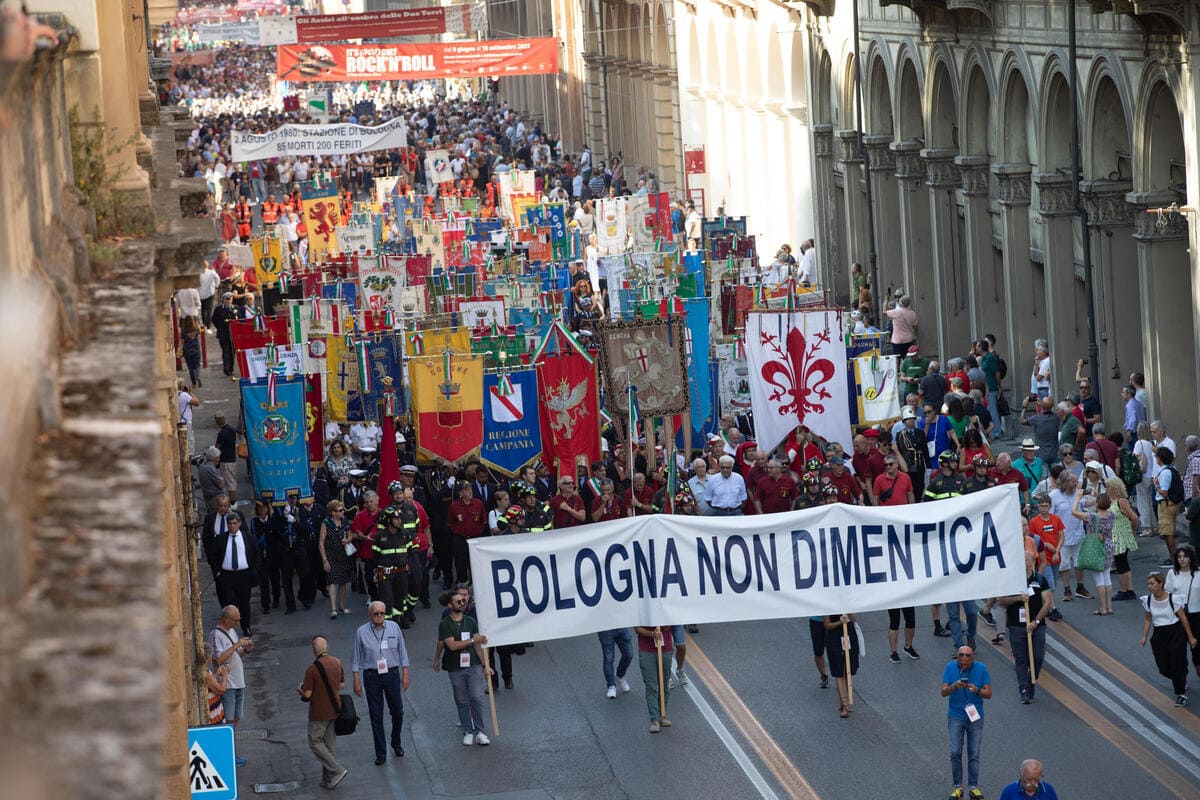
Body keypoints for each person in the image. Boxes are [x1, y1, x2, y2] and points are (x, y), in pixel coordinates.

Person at [352, 601, 411, 764]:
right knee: (376, 715)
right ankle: (381, 752)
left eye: (382, 613)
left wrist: (405, 672)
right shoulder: (361, 632)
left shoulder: (394, 628)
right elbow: (356, 658)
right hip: (371, 677)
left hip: (391, 674)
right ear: (369, 615)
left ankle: (396, 742)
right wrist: (356, 680)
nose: (379, 616)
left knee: (398, 712)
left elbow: (403, 652)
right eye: (376, 613)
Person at [435, 589, 493, 745]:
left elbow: (478, 647)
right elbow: (452, 646)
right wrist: (473, 641)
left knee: (476, 697)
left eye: (463, 600)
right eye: (458, 601)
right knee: (461, 700)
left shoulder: (470, 621)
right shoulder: (445, 624)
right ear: (450, 605)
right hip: (455, 667)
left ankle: (480, 731)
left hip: (473, 665)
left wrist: (485, 665)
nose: (462, 603)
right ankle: (468, 731)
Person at [1140, 571, 1198, 706]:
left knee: (1177, 663)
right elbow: (1148, 619)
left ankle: (1181, 693)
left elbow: (1183, 618)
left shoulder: (1173, 599)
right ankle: (1181, 677)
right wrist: (1144, 636)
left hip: (1176, 633)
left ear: (1161, 584)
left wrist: (1191, 637)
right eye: (1148, 584)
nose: (1149, 586)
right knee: (1163, 667)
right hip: (1159, 635)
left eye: (1152, 583)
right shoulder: (1148, 600)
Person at [1000, 552, 1052, 704]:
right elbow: (1002, 600)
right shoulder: (1012, 581)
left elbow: (1047, 602)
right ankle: (1023, 689)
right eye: (1021, 560)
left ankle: (1031, 680)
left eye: (1027, 560)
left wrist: (1035, 621)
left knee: (1037, 656)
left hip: (1037, 626)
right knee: (1021, 659)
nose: (1025, 563)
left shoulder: (1040, 580)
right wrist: (1017, 598)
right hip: (1017, 626)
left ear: (1032, 562)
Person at [297, 635, 348, 789]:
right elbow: (342, 685)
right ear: (326, 648)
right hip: (335, 709)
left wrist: (300, 690)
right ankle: (327, 780)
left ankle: (337, 770)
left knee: (315, 742)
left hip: (319, 712)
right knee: (329, 744)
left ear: (314, 651)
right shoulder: (337, 662)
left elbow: (307, 694)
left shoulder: (312, 669)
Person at [942, 645, 991, 800]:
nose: (963, 664)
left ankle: (973, 787)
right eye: (960, 660)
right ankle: (957, 787)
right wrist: (954, 686)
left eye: (966, 661)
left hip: (975, 716)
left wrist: (976, 690)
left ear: (972, 659)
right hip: (955, 715)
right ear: (957, 657)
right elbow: (943, 692)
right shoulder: (950, 667)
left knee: (974, 753)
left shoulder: (981, 669)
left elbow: (988, 693)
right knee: (955, 751)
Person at [208, 605, 253, 765]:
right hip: (229, 685)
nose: (237, 622)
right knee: (227, 722)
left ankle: (231, 753)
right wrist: (236, 645)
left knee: (235, 719)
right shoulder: (215, 634)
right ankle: (228, 756)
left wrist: (245, 651)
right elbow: (218, 660)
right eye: (235, 620)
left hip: (239, 682)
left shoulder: (232, 631)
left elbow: (233, 655)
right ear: (226, 619)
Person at [207, 513, 260, 636]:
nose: (232, 526)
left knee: (244, 603)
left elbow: (256, 554)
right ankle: (229, 630)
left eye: (234, 523)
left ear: (239, 523)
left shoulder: (248, 538)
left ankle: (246, 627)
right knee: (229, 603)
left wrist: (254, 571)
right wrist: (217, 573)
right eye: (230, 524)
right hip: (227, 576)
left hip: (244, 575)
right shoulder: (221, 539)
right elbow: (213, 557)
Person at [1071, 489, 1115, 614]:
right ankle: (1109, 606)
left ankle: (1102, 607)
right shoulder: (1111, 515)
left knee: (1099, 579)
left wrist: (1078, 498)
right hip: (1108, 546)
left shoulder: (1092, 517)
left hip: (1095, 547)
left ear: (1097, 504)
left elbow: (1073, 512)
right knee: (1107, 577)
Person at [1164, 545, 1200, 676]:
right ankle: (1181, 678)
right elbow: (1167, 594)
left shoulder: (1198, 573)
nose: (1182, 559)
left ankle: (1198, 666)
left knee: (1197, 648)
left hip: (1196, 616)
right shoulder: (1172, 573)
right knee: (1178, 650)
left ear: (1191, 558)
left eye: (1185, 556)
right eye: (1179, 557)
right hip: (1178, 616)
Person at [634, 624, 674, 732]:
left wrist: (664, 625)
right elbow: (637, 629)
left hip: (665, 649)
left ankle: (662, 715)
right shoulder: (640, 608)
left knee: (664, 683)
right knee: (651, 686)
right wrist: (652, 634)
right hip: (646, 651)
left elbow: (669, 626)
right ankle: (655, 720)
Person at [319, 500, 354, 619]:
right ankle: (333, 608)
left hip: (343, 554)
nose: (342, 512)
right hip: (331, 555)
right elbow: (321, 542)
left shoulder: (344, 522)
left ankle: (342, 606)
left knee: (343, 581)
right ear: (333, 512)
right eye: (339, 510)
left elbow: (351, 535)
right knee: (332, 581)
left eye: (342, 509)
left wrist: (348, 540)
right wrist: (324, 559)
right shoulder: (326, 523)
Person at [825, 613, 860, 718]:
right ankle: (845, 704)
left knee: (847, 669)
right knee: (839, 671)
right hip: (834, 638)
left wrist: (848, 612)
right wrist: (839, 622)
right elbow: (827, 625)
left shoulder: (848, 603)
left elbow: (854, 619)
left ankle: (842, 701)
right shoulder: (827, 604)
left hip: (849, 635)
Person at [1154, 446, 1184, 565]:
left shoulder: (1165, 472)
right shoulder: (1171, 469)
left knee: (1168, 532)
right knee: (1168, 532)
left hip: (1166, 505)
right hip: (1170, 504)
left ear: (1160, 459)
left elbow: (1164, 492)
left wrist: (1156, 485)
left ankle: (1173, 558)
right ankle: (1173, 557)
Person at [598, 627, 635, 699]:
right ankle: (611, 686)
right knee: (609, 658)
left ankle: (619, 676)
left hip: (622, 625)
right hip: (605, 629)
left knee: (629, 654)